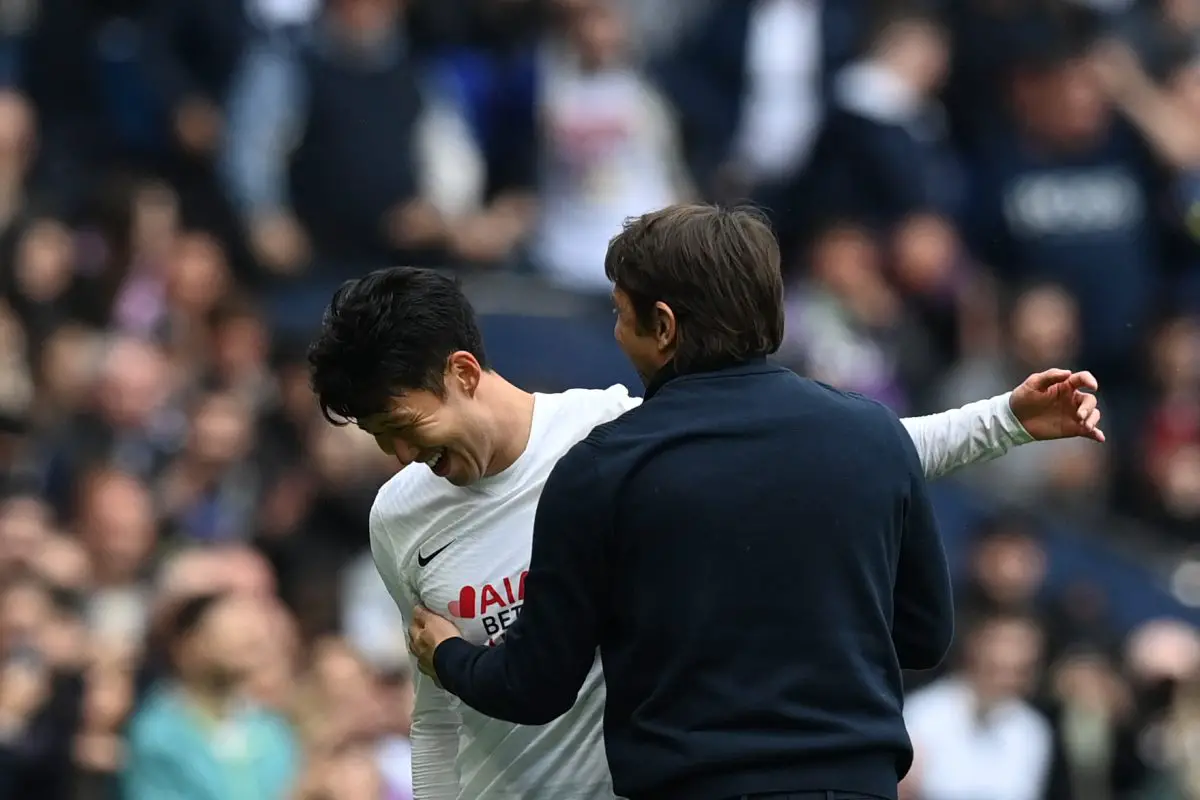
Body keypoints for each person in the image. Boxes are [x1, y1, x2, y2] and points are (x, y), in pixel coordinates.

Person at [307, 257, 1102, 800]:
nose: (399, 454)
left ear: (465, 373)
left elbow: (851, 451)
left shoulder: (613, 439)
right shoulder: (399, 515)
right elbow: (436, 706)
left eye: (403, 424)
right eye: (377, 436)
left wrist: (1006, 420)